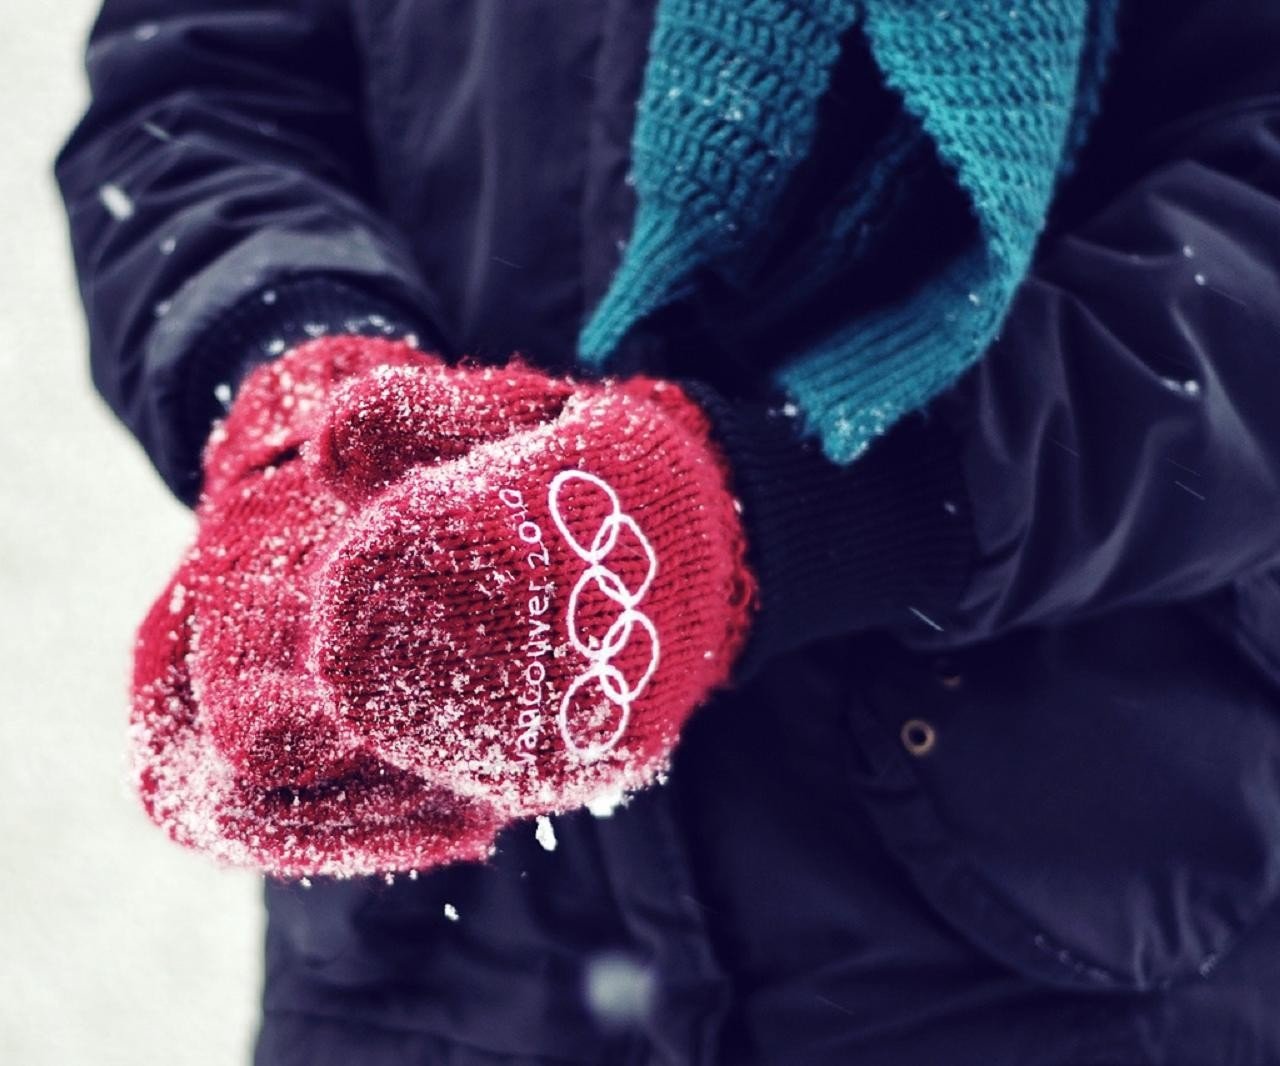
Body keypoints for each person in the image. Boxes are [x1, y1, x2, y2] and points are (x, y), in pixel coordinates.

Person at [55, 0, 1280, 1062]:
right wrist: (299, 401)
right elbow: (199, 87)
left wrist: (790, 511)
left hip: (1049, 941)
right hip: (439, 964)